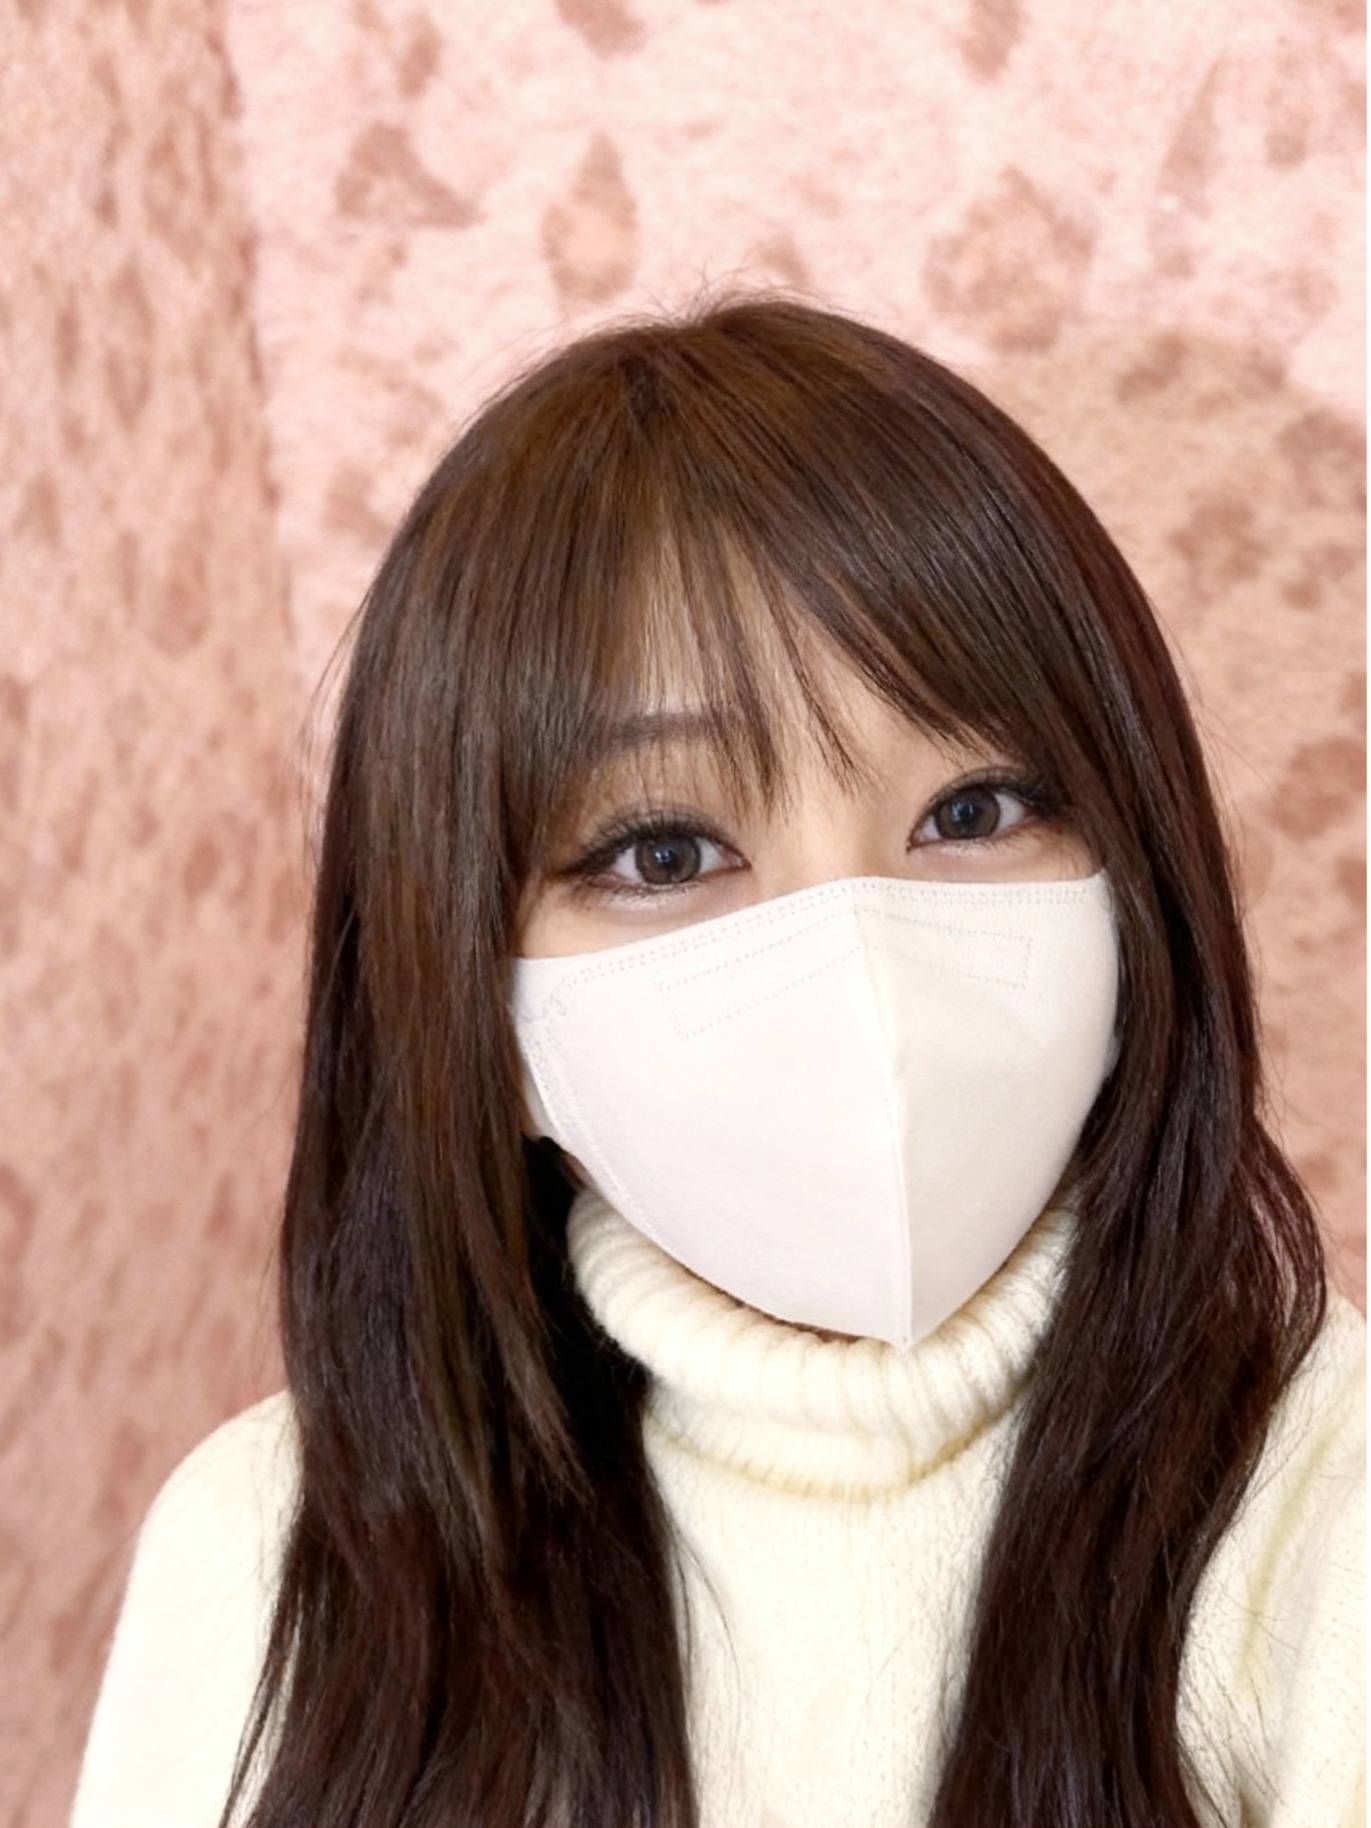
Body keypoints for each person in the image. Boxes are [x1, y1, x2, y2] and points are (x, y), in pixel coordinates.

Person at [69, 290, 1364, 1828]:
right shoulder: (263, 1555)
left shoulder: (1328, 1502)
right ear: (462, 984)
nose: (860, 967)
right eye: (666, 850)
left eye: (973, 810)